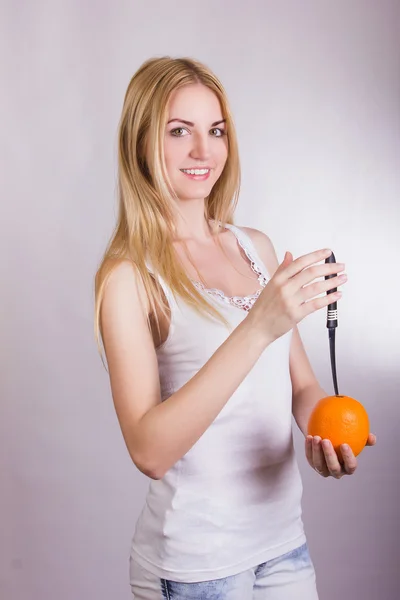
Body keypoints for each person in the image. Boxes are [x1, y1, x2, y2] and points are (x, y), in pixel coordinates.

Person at [94, 56, 376, 599]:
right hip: (195, 568)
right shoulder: (128, 277)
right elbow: (149, 452)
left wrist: (324, 434)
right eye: (180, 131)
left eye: (216, 130)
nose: (204, 151)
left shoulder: (255, 247)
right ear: (140, 143)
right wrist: (257, 327)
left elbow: (300, 386)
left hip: (283, 547)